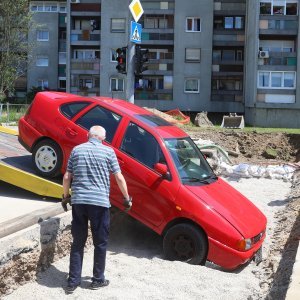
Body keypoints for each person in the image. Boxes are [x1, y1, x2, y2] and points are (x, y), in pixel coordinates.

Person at [62, 125, 131, 294]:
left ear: (88, 135)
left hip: (79, 202)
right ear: (103, 138)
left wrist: (65, 196)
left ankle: (73, 282)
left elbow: (66, 177)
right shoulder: (109, 152)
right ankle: (97, 280)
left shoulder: (76, 150)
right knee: (100, 242)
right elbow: (119, 177)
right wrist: (127, 198)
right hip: (99, 203)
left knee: (78, 242)